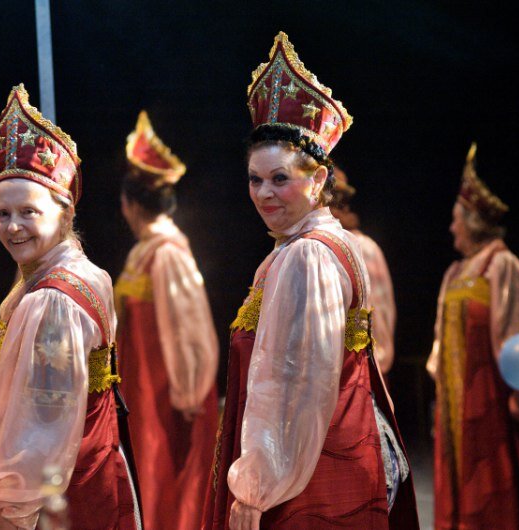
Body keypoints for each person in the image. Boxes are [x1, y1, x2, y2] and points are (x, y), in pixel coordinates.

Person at [202, 32, 419, 530]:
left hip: (313, 481)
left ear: (318, 180)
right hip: (326, 462)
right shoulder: (317, 246)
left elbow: (294, 385)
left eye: (280, 178)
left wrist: (256, 491)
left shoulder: (308, 256)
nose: (264, 193)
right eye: (255, 179)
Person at [0, 84, 140, 529]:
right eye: (2, 214)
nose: (13, 227)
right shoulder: (77, 274)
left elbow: (40, 433)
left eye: (28, 212)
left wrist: (11, 515)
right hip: (89, 482)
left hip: (56, 507)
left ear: (64, 213)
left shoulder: (53, 301)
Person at [425, 143, 519, 529]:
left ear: (473, 221)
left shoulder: (502, 265)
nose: (451, 228)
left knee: (493, 492)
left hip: (491, 402)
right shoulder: (455, 273)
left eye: (456, 220)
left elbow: (518, 338)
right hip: (455, 402)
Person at [116, 110, 218, 530]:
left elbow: (189, 329)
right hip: (144, 392)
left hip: (168, 398)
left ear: (130, 204)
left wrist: (188, 393)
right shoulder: (144, 252)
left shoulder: (167, 253)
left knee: (169, 487)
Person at [329, 167, 398, 374]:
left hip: (359, 373)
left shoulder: (361, 248)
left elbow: (379, 316)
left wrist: (373, 367)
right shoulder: (311, 247)